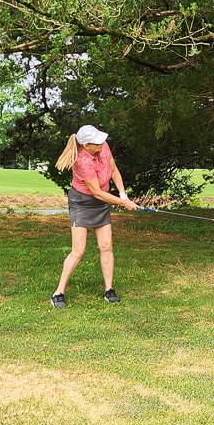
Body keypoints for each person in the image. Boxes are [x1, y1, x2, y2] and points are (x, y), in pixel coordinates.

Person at [50, 125, 139, 308]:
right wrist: (123, 203)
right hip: (82, 203)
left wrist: (123, 195)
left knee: (106, 246)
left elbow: (114, 170)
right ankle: (58, 293)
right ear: (86, 145)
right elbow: (97, 192)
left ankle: (109, 290)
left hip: (102, 201)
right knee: (78, 250)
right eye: (97, 142)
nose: (102, 143)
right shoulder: (81, 161)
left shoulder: (103, 146)